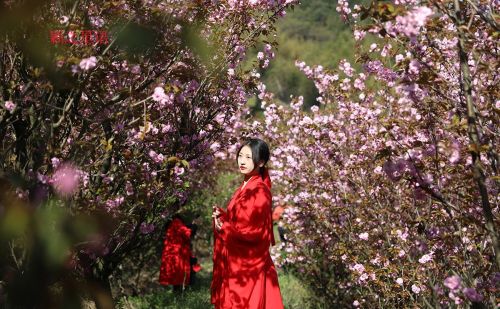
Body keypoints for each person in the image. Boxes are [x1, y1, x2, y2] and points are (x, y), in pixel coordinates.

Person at [211, 138, 284, 309]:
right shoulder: (244, 187)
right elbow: (239, 220)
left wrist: (227, 228)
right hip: (236, 259)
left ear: (261, 162)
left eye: (249, 157)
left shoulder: (260, 191)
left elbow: (256, 233)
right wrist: (222, 218)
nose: (242, 161)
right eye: (240, 155)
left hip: (252, 266)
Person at [159, 214, 192, 293]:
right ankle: (179, 293)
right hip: (177, 252)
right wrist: (192, 228)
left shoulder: (171, 222)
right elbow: (186, 233)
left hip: (172, 252)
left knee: (175, 275)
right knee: (179, 273)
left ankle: (177, 292)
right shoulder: (177, 222)